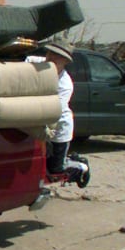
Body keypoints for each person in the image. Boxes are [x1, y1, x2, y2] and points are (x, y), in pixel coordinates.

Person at [41, 38, 89, 184]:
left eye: (57, 56)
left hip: (59, 127)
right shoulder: (35, 64)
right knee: (42, 165)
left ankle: (80, 166)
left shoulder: (65, 84)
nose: (51, 57)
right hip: (41, 123)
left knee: (56, 170)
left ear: (65, 62)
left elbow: (56, 111)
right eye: (50, 53)